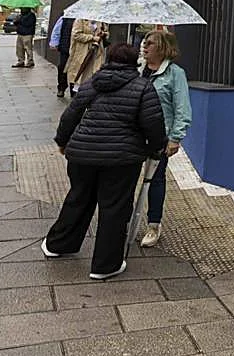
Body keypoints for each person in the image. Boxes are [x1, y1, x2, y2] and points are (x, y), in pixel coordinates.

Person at [43, 42, 167, 280]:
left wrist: (62, 141)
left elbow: (71, 114)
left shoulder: (92, 83)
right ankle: (105, 265)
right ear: (134, 62)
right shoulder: (143, 87)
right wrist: (155, 149)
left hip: (82, 154)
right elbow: (153, 124)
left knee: (78, 198)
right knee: (115, 208)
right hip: (121, 159)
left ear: (109, 59)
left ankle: (58, 245)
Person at [137, 30, 192, 247]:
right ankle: (125, 220)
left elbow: (182, 109)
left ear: (162, 48)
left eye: (150, 43)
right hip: (132, 135)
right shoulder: (138, 69)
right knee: (126, 178)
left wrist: (175, 138)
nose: (145, 46)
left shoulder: (175, 74)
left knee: (155, 179)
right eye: (145, 42)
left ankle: (153, 224)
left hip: (159, 136)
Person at [67, 19, 107, 91]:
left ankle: (91, 89)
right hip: (83, 51)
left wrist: (103, 34)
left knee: (95, 71)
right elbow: (76, 35)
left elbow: (106, 33)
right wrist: (92, 38)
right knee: (81, 72)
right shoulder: (80, 20)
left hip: (97, 51)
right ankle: (78, 90)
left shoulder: (100, 21)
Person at [50, 15, 73, 98]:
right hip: (65, 47)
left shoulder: (84, 18)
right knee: (62, 67)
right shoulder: (65, 17)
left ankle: (73, 89)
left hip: (78, 49)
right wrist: (54, 43)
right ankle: (61, 87)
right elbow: (57, 31)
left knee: (75, 69)